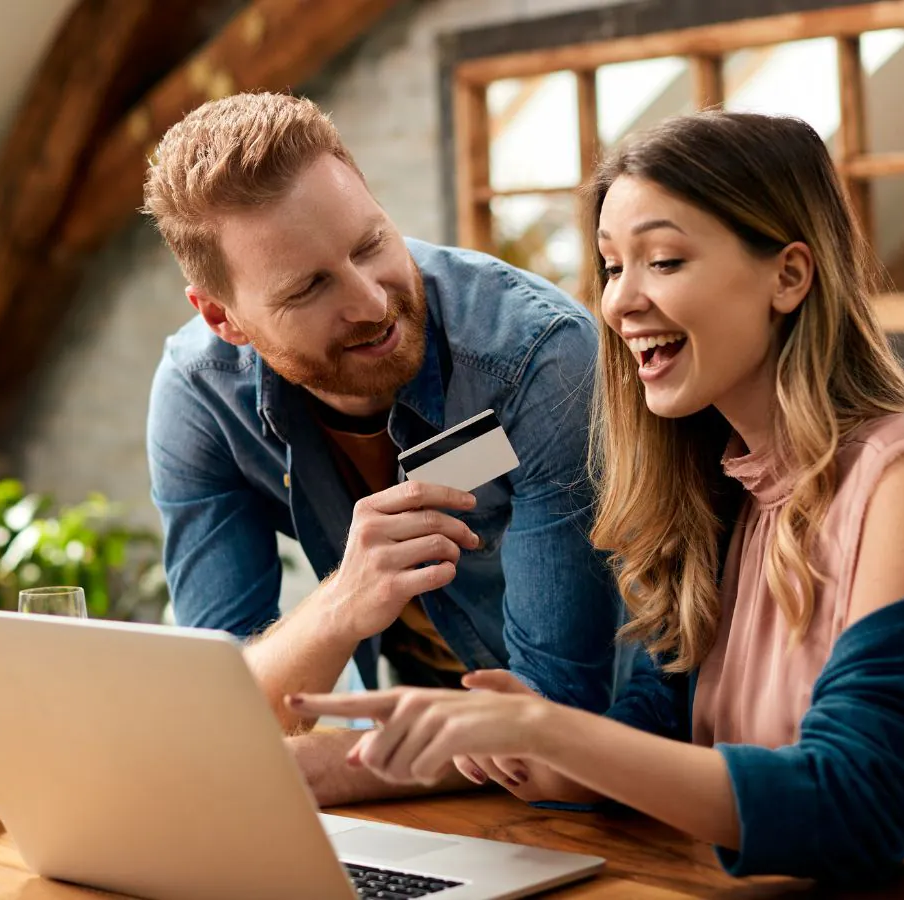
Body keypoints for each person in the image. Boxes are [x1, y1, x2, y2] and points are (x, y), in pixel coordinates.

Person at [290, 110, 904, 884]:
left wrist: (552, 731)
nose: (619, 303)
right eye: (612, 267)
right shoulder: (716, 492)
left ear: (789, 276)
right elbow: (655, 738)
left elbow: (855, 804)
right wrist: (523, 749)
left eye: (664, 260)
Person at [142, 92, 624, 806]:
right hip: (433, 787)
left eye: (370, 244)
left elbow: (558, 718)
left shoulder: (537, 358)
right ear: (222, 317)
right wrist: (342, 604)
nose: (370, 302)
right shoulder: (201, 395)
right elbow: (224, 703)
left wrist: (306, 771)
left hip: (611, 788)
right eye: (309, 287)